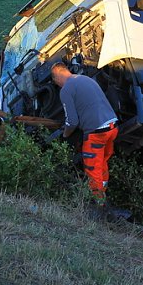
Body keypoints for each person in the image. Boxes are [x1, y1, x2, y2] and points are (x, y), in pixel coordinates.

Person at [51, 61, 118, 206]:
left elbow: (72, 121)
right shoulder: (85, 79)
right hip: (112, 127)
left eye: (55, 82)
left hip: (97, 133)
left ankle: (98, 205)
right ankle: (103, 192)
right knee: (101, 164)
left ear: (56, 76)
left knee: (93, 169)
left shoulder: (66, 90)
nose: (57, 85)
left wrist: (65, 135)